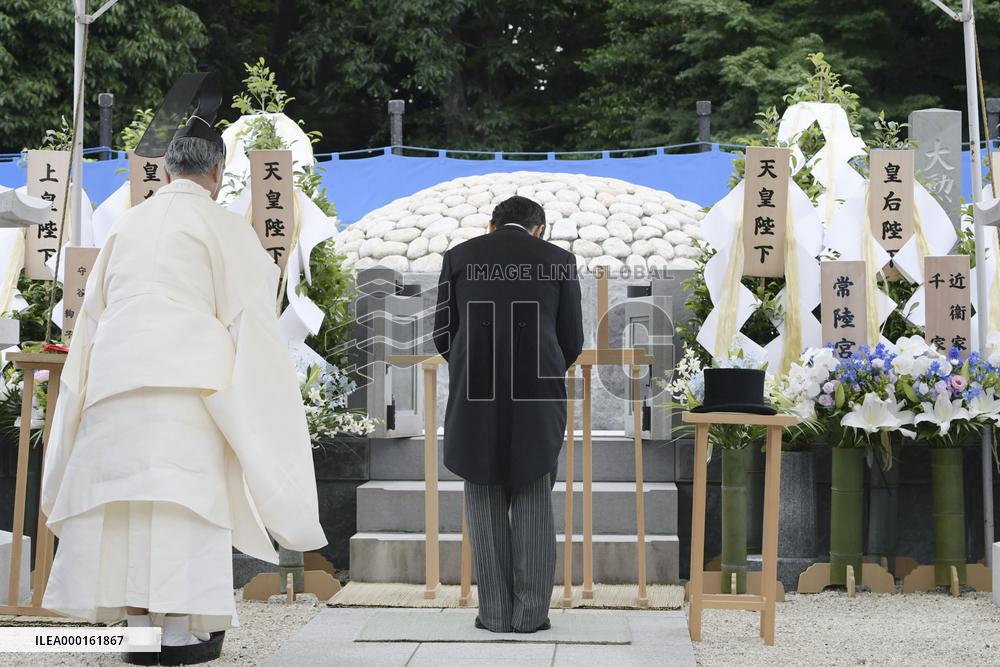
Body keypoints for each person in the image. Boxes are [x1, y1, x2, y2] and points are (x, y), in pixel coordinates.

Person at [39, 116, 327, 665]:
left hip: (115, 382)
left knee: (126, 502)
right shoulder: (223, 228)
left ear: (166, 170)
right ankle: (176, 633)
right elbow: (251, 320)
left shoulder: (127, 225)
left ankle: (139, 630)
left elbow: (92, 320)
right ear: (217, 172)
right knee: (183, 505)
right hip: (189, 384)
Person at [433, 195, 583, 633]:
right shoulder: (559, 260)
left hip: (475, 394)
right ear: (539, 228)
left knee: (482, 495)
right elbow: (571, 339)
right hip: (537, 394)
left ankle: (494, 613)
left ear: (492, 224)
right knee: (534, 494)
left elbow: (443, 334)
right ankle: (531, 615)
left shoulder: (459, 257)